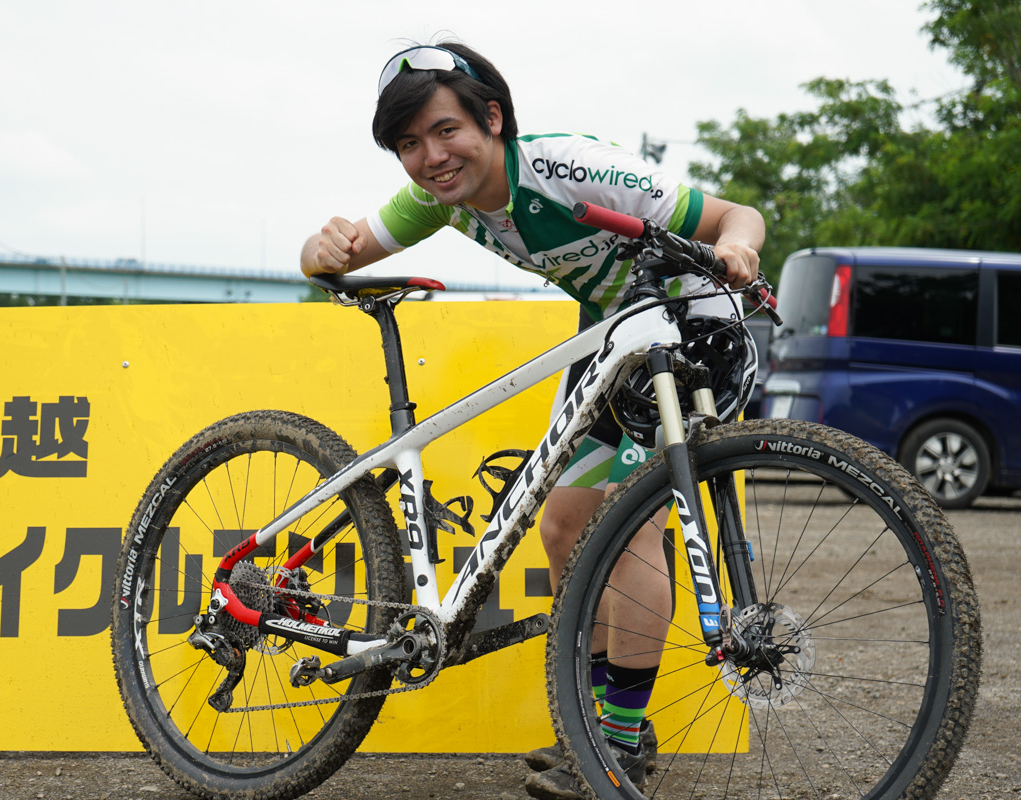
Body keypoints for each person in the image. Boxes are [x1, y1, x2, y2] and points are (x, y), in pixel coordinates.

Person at [301, 41, 764, 800]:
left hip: (687, 323)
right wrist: (316, 252)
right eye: (409, 144)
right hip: (612, 331)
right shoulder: (437, 198)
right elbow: (334, 255)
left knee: (632, 530)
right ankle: (593, 726)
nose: (430, 156)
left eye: (445, 130)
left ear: (492, 118)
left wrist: (739, 247)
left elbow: (737, 215)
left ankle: (614, 748)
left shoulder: (571, 168)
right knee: (563, 528)